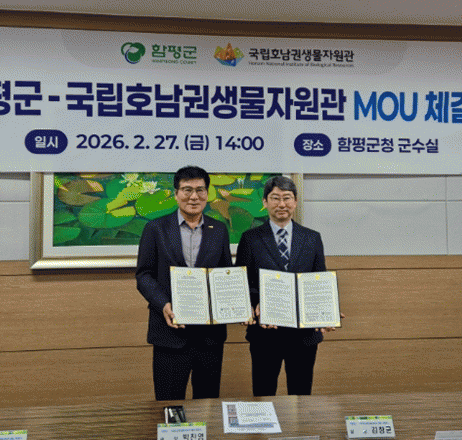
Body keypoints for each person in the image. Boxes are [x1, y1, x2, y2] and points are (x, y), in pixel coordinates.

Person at [236, 175, 340, 396]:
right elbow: (242, 283)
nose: (281, 204)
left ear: (295, 201)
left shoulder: (312, 238)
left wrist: (327, 310)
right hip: (265, 334)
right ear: (265, 202)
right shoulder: (250, 239)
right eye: (275, 198)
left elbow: (318, 279)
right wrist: (256, 303)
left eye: (287, 198)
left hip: (303, 335)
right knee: (263, 394)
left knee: (301, 394)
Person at [136, 165, 232, 401]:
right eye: (187, 190)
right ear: (176, 193)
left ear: (207, 193)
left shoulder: (219, 230)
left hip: (209, 337)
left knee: (207, 404)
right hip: (170, 333)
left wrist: (236, 304)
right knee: (169, 403)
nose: (194, 197)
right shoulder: (155, 229)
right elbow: (144, 275)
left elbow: (225, 275)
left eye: (200, 190)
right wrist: (163, 304)